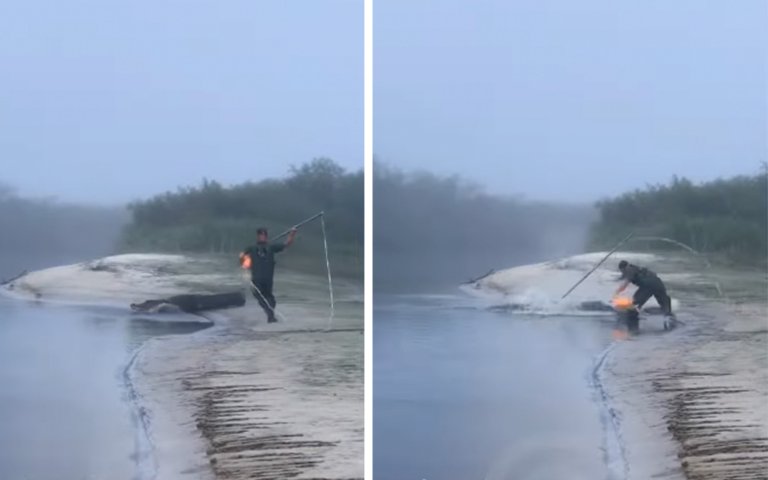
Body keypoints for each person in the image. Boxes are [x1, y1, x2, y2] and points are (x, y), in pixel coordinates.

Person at [240, 227, 297, 323]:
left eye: (264, 235)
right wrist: (246, 261)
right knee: (263, 297)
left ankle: (270, 315)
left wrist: (292, 234)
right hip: (259, 278)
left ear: (265, 237)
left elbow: (287, 244)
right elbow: (242, 258)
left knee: (268, 299)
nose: (262, 237)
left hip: (265, 279)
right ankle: (270, 315)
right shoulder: (253, 248)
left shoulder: (270, 247)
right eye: (261, 235)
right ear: (258, 236)